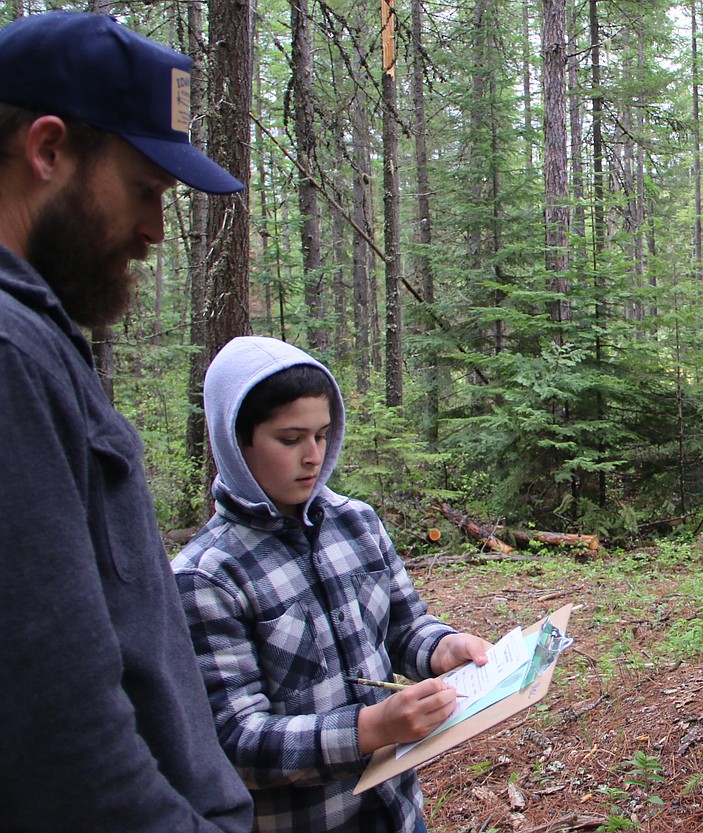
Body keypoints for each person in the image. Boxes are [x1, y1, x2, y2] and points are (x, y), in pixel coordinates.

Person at [0, 11, 253, 833]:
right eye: (144, 189)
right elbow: (59, 736)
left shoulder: (36, 340)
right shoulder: (9, 355)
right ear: (48, 150)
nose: (153, 230)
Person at [172, 335, 493, 833]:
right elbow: (236, 740)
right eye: (290, 438)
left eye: (322, 435)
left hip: (397, 809)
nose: (313, 456)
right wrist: (370, 729)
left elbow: (405, 627)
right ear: (236, 442)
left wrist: (444, 648)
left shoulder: (356, 523)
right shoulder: (206, 576)